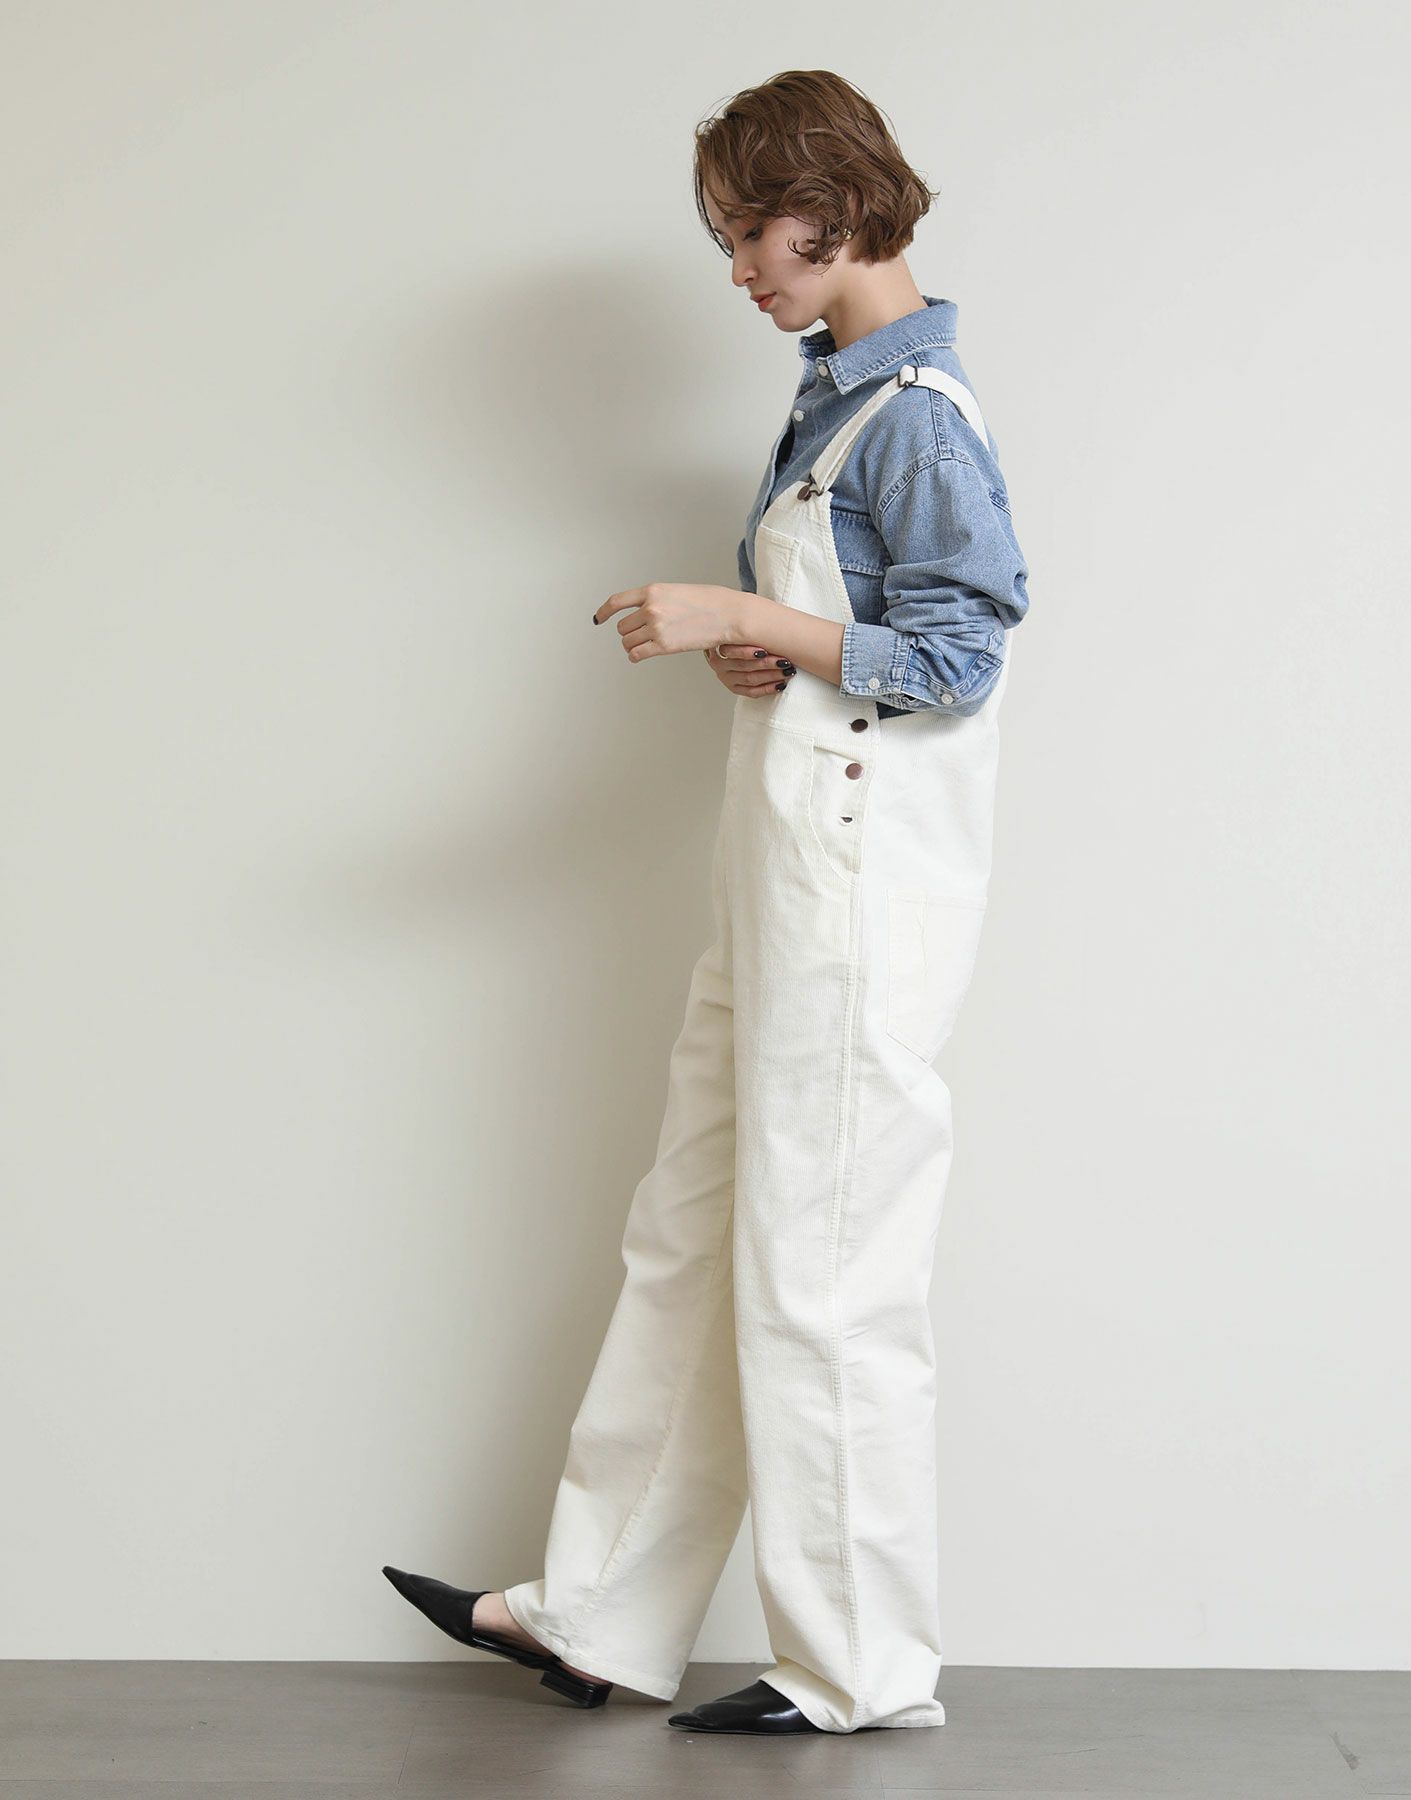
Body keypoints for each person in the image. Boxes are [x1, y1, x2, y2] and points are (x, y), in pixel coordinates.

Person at [384, 67, 1031, 1738]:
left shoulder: (919, 414)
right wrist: (772, 653)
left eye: (754, 232)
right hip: (787, 870)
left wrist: (736, 613)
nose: (738, 268)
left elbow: (963, 651)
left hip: (857, 890)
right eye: (730, 238)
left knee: (826, 1269)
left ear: (839, 206)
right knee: (693, 1228)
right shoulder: (833, 403)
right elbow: (865, 650)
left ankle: (858, 1669)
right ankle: (600, 1609)